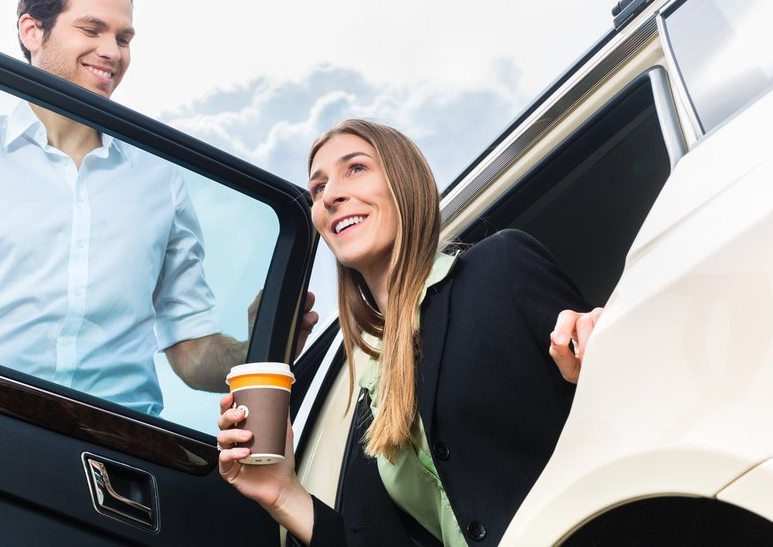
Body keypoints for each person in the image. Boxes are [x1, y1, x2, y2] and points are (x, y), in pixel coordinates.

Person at [0, 0, 316, 415]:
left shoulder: (160, 179)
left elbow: (190, 351)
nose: (112, 51)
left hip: (121, 450)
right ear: (32, 32)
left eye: (123, 37)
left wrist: (259, 345)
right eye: (92, 30)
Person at [217, 119, 600, 546]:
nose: (331, 196)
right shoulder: (371, 387)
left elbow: (616, 391)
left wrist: (605, 340)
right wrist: (281, 492)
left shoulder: (499, 268)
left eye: (355, 168)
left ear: (404, 180)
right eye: (318, 188)